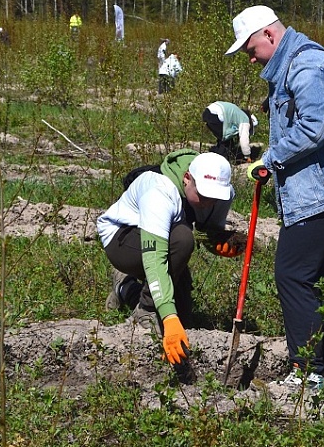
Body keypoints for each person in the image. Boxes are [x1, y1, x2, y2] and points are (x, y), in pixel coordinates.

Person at [225, 5, 324, 388]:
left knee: (292, 273)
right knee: (319, 274)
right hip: (323, 187)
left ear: (270, 35)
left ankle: (308, 374)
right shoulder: (293, 64)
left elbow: (313, 128)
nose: (250, 58)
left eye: (250, 48)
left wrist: (269, 161)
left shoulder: (306, 66)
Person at [97, 149, 243, 369]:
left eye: (214, 198)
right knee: (182, 241)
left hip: (165, 235)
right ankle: (144, 310)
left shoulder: (220, 194)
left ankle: (125, 287)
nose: (208, 202)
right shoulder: (159, 191)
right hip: (123, 238)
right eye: (203, 195)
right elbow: (155, 258)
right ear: (187, 178)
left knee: (184, 313)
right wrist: (167, 315)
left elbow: (207, 230)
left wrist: (220, 244)